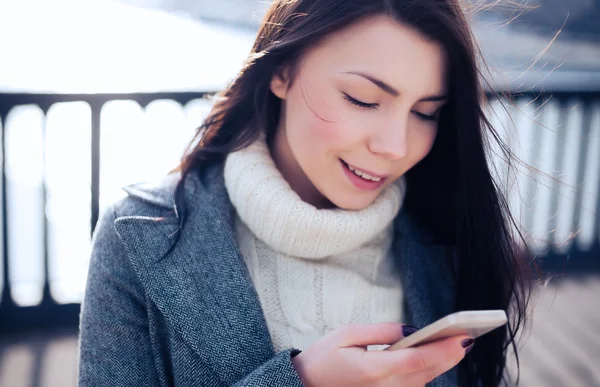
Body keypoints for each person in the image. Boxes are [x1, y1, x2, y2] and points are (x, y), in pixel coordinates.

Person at [78, 0, 535, 386]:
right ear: (281, 71)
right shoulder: (140, 235)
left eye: (426, 112)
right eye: (362, 98)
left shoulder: (448, 240)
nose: (395, 147)